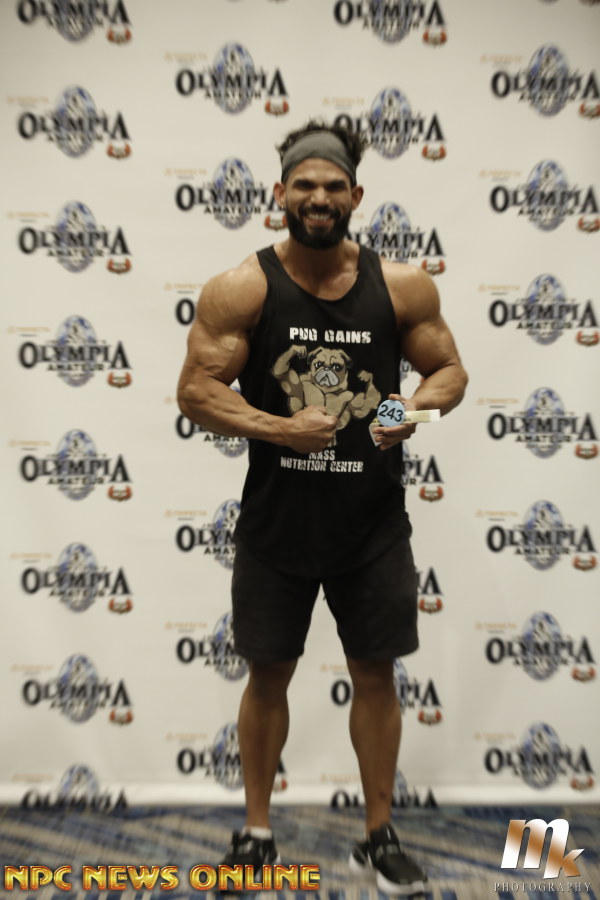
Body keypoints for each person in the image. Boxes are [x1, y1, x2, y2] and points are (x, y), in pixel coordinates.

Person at [177, 120, 468, 895]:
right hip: (277, 526)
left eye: (333, 186)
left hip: (372, 527)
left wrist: (412, 411)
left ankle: (378, 836)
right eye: (304, 185)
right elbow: (195, 391)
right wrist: (279, 428)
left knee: (375, 675)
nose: (318, 197)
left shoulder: (401, 286)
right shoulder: (243, 287)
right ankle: (256, 834)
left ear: (356, 196)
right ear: (280, 194)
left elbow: (449, 373)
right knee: (267, 675)